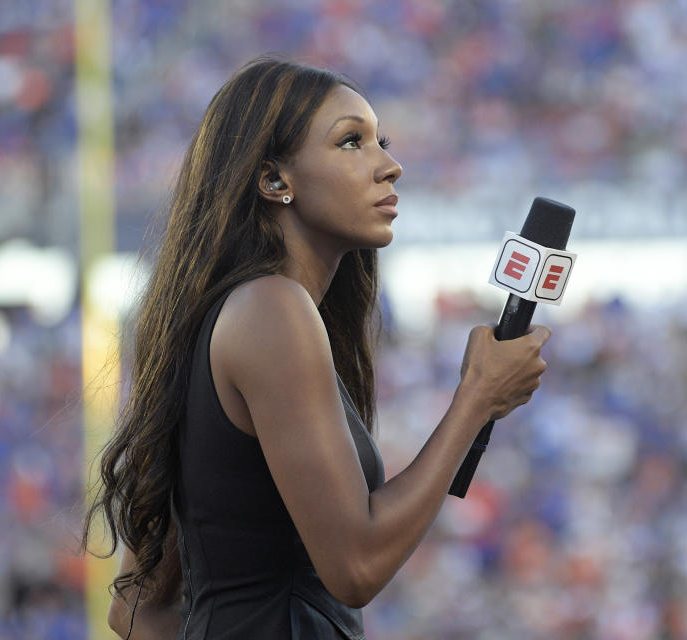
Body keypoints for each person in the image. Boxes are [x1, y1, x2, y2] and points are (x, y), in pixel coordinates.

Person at [82, 55, 550, 640]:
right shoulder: (273, 309)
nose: (391, 166)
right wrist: (478, 396)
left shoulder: (234, 315)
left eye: (382, 141)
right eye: (352, 142)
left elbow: (138, 607)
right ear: (275, 179)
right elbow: (355, 566)